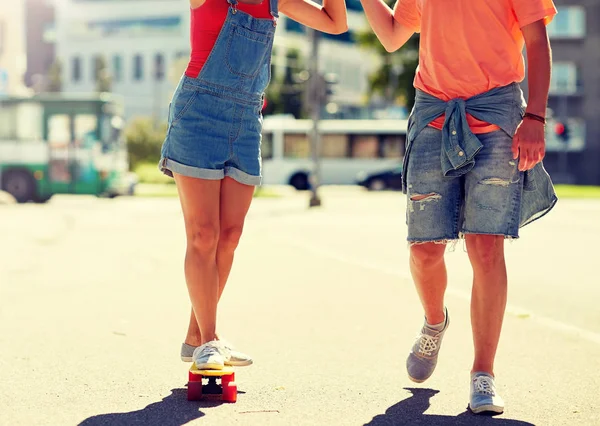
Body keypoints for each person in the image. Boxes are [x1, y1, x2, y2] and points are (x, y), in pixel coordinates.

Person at [360, 0, 558, 414]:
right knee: (424, 249)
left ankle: (482, 374)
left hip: (498, 116)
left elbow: (537, 44)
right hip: (433, 114)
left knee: (485, 246)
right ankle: (435, 321)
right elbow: (394, 35)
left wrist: (535, 117)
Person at [159, 0, 347, 370]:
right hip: (198, 115)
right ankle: (211, 340)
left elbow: (336, 22)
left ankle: (195, 338)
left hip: (246, 121)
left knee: (228, 237)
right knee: (203, 235)